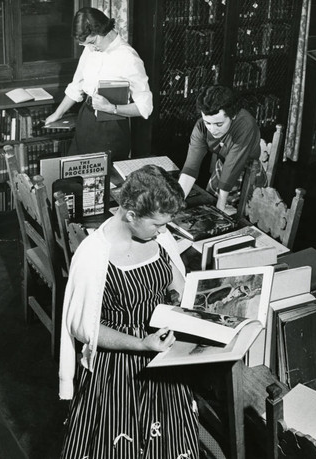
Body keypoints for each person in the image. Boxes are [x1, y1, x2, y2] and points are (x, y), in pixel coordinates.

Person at [58, 165, 199, 458]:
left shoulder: (159, 238)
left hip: (161, 351)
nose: (164, 232)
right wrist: (141, 344)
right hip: (118, 365)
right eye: (157, 225)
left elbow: (177, 285)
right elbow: (85, 328)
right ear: (131, 215)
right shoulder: (94, 254)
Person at [45, 7, 152, 162]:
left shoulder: (129, 58)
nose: (91, 48)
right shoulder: (90, 49)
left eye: (92, 42)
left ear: (103, 29)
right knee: (73, 175)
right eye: (86, 44)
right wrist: (58, 114)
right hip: (86, 120)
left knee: (103, 182)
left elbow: (145, 108)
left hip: (112, 126)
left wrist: (111, 108)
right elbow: (76, 86)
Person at [178, 85, 266, 212]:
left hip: (249, 173)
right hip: (222, 168)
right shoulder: (200, 127)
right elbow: (191, 168)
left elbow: (233, 163)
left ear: (233, 116)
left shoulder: (246, 124)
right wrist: (177, 203)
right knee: (208, 207)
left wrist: (221, 205)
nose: (212, 129)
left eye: (219, 124)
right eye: (208, 123)